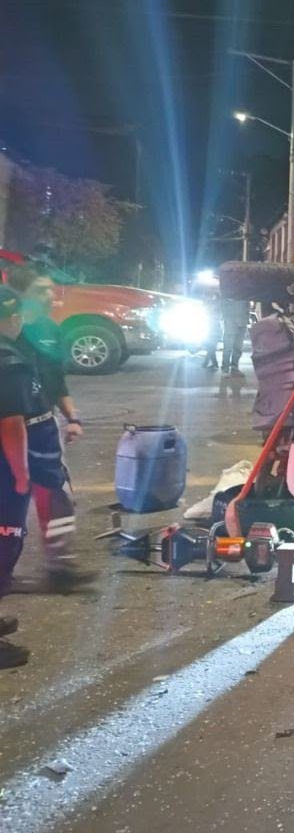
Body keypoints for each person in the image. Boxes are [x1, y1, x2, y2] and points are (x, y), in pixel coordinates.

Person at [6, 265, 94, 590]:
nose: (50, 296)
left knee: (57, 496)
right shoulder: (7, 333)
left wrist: (72, 418)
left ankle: (60, 566)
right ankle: (5, 569)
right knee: (10, 502)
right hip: (12, 427)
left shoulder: (48, 329)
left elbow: (57, 381)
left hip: (44, 427)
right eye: (41, 290)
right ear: (20, 295)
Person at [0, 286, 35, 667]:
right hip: (2, 475)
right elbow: (10, 424)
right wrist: (22, 475)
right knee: (4, 545)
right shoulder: (8, 361)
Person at [220, 295, 251, 376]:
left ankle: (234, 368)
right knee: (228, 348)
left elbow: (248, 307)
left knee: (238, 348)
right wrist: (227, 319)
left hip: (242, 323)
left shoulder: (244, 295)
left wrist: (247, 319)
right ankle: (225, 369)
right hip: (230, 323)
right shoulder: (228, 294)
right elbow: (223, 307)